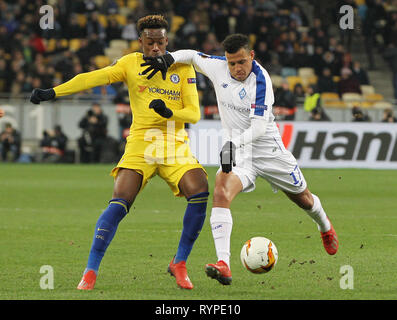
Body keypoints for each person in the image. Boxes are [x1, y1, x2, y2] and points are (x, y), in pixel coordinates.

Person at [142, 33, 339, 286]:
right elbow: (191, 55)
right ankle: (223, 263)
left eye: (241, 62)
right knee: (221, 191)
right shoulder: (218, 67)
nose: (236, 68)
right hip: (240, 154)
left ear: (252, 56)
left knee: (303, 198)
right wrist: (168, 59)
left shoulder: (261, 81)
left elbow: (258, 128)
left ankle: (324, 226)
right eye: (232, 63)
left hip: (268, 151)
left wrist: (232, 143)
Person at [30, 15, 209, 291]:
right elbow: (93, 78)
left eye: (161, 42)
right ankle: (90, 271)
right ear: (141, 42)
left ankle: (180, 263)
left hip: (174, 142)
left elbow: (194, 114)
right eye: (150, 43)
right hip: (141, 144)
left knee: (199, 190)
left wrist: (169, 112)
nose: (156, 48)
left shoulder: (183, 67)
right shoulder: (130, 63)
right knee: (120, 200)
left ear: (167, 41)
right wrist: (54, 92)